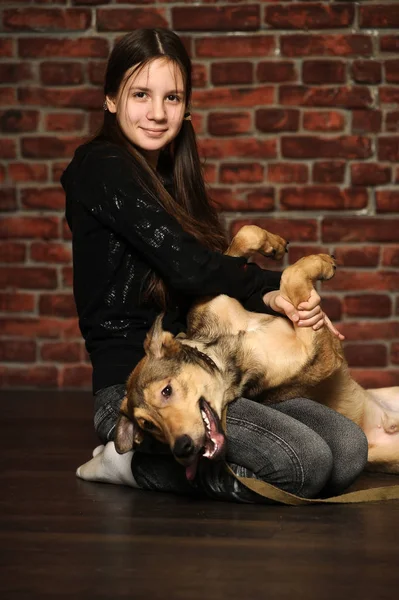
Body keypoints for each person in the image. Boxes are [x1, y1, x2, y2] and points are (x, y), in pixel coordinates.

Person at [62, 28, 368, 503]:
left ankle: (162, 464)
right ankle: (131, 464)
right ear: (109, 100)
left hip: (205, 370)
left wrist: (279, 296)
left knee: (349, 450)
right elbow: (189, 268)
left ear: (186, 108)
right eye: (141, 94)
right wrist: (266, 284)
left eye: (173, 97)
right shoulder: (99, 165)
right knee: (306, 463)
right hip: (139, 393)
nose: (158, 112)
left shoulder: (170, 179)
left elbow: (207, 273)